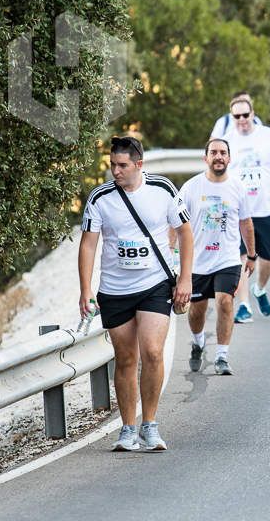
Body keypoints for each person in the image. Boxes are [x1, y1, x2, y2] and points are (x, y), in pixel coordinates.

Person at [79, 136, 193, 451]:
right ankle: (128, 429)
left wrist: (185, 279)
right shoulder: (100, 197)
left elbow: (185, 232)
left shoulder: (163, 190)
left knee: (153, 352)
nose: (115, 171)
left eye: (122, 165)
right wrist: (85, 289)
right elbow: (88, 244)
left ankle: (150, 424)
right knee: (127, 358)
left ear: (138, 164)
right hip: (115, 290)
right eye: (112, 165)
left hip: (155, 285)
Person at [177, 139, 256, 375]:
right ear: (206, 158)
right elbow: (176, 223)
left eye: (223, 153)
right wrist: (172, 255)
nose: (219, 156)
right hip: (198, 261)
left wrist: (251, 254)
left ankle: (222, 356)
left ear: (229, 158)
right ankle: (198, 342)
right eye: (214, 152)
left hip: (227, 259)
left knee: (225, 302)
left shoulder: (237, 187)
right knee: (197, 310)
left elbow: (246, 222)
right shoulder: (191, 187)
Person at [222, 95, 270, 323]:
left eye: (245, 115)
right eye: (237, 116)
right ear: (232, 117)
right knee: (242, 256)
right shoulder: (227, 141)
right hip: (237, 212)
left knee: (266, 261)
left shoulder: (268, 136)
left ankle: (259, 288)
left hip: (265, 209)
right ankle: (245, 305)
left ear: (253, 114)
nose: (242, 120)